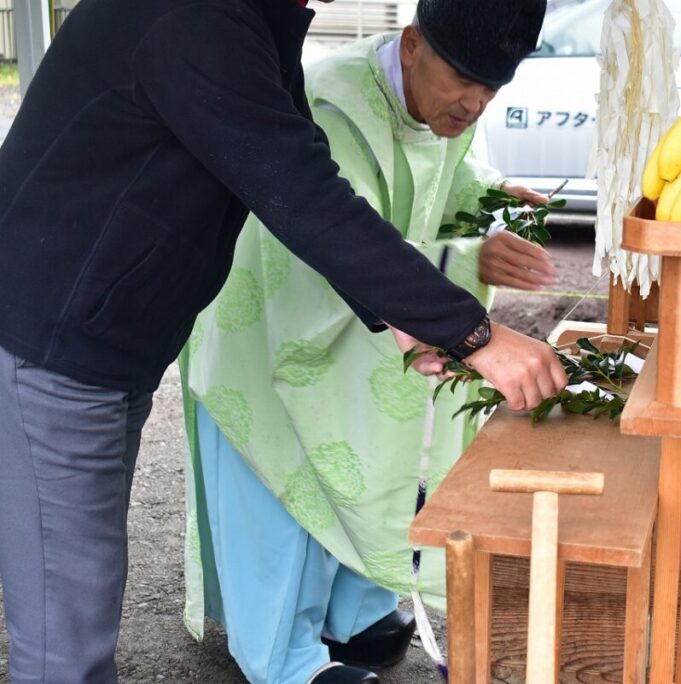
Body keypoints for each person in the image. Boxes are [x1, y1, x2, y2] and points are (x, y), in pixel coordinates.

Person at [0, 0, 565, 682]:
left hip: (109, 344)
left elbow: (308, 183)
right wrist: (470, 331)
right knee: (67, 632)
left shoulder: (254, 23)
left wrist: (416, 316)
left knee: (85, 589)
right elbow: (301, 193)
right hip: (53, 345)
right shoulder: (195, 19)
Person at [180, 3, 555, 682]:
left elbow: (449, 182)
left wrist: (490, 216)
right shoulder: (330, 103)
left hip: (377, 322)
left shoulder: (443, 104)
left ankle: (354, 612)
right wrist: (465, 266)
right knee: (287, 491)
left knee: (369, 466)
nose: (475, 104)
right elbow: (339, 244)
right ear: (411, 45)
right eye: (465, 80)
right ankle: (285, 661)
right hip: (275, 324)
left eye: (493, 89)